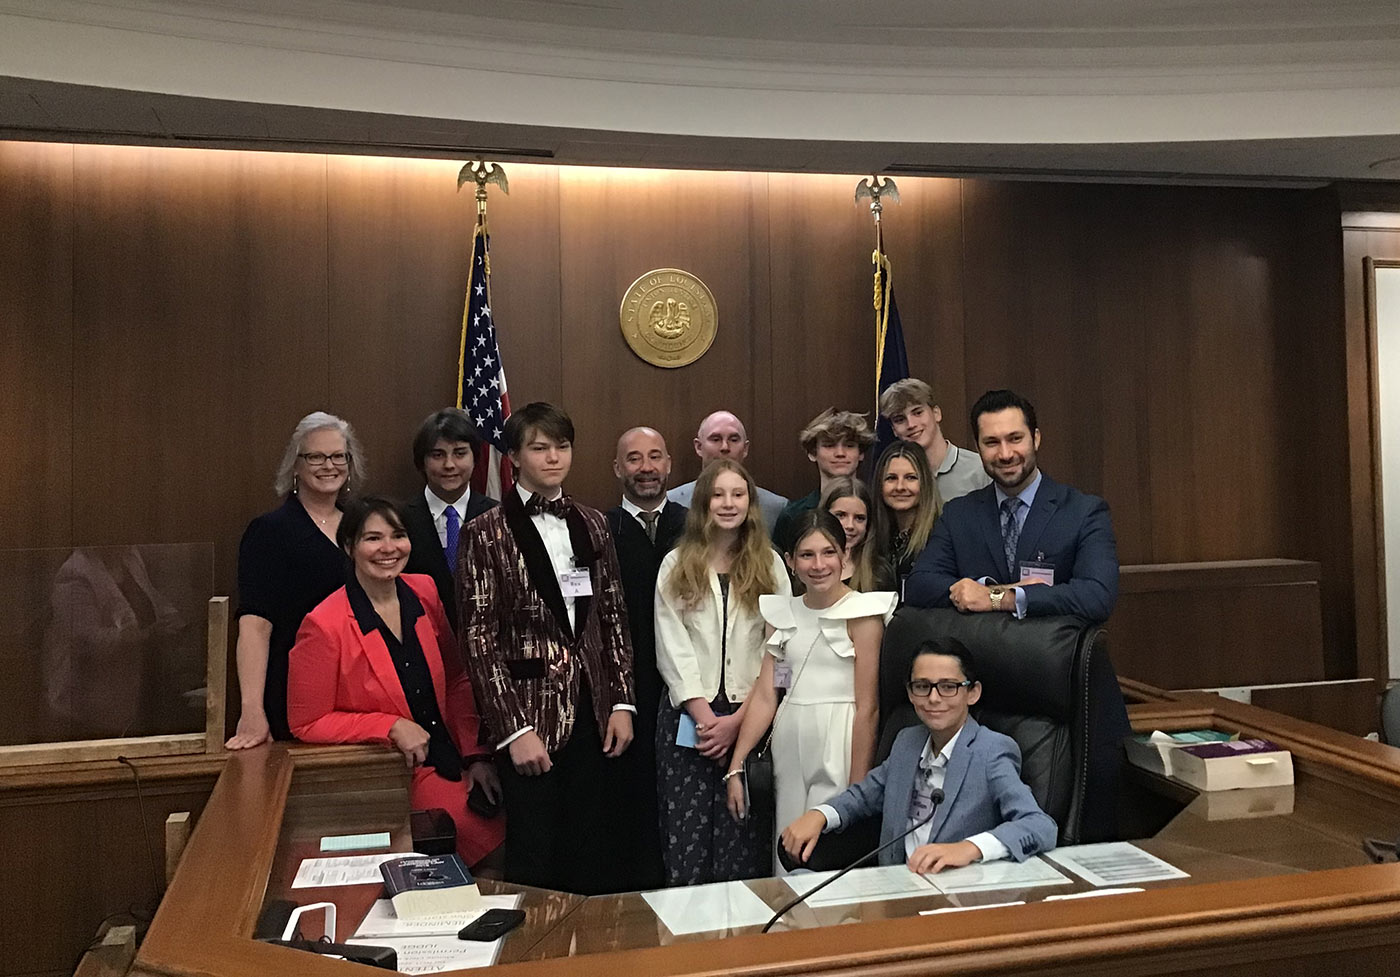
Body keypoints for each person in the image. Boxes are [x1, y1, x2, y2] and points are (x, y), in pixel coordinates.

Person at [456, 402, 636, 895]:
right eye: (539, 448)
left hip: (594, 711)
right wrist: (513, 730)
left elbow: (613, 617)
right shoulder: (484, 532)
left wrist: (621, 701)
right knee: (535, 853)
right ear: (513, 457)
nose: (553, 457)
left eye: (562, 446)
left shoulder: (594, 522)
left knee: (592, 847)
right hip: (528, 716)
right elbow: (479, 640)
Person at [286, 497, 505, 869]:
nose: (388, 548)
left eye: (398, 535)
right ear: (349, 546)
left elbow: (456, 679)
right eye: (373, 538)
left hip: (454, 757)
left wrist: (476, 755)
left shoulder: (425, 591)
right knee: (491, 842)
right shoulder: (324, 624)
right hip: (394, 775)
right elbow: (306, 722)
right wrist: (389, 725)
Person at [780, 638, 1057, 873]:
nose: (934, 699)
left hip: (954, 896)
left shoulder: (991, 751)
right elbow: (865, 795)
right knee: (798, 886)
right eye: (922, 686)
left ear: (973, 693)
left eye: (949, 686)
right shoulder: (907, 742)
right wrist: (819, 815)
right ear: (911, 694)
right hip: (893, 884)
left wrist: (968, 849)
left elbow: (1040, 826)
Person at [726, 509, 894, 873]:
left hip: (839, 738)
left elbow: (868, 708)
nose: (819, 565)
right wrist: (736, 764)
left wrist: (857, 791)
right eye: (806, 555)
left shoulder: (863, 613)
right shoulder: (781, 613)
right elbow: (769, 694)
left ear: (844, 556)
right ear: (790, 561)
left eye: (828, 553)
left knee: (825, 855)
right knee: (786, 852)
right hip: (789, 743)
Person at [654, 459, 791, 884]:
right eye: (718, 494)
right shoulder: (676, 564)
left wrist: (738, 722)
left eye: (738, 494)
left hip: (752, 716)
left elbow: (779, 650)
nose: (728, 504)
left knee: (743, 840)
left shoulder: (770, 565)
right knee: (687, 843)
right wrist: (706, 717)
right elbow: (671, 647)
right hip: (688, 718)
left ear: (750, 503)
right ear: (702, 503)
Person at [905, 389, 1120, 622]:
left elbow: (1097, 596)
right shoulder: (958, 514)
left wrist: (1000, 598)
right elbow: (919, 585)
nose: (1005, 454)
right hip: (977, 654)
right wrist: (995, 590)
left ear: (1035, 439)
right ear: (978, 448)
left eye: (1015, 439)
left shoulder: (1083, 512)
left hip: (1050, 654)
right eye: (992, 442)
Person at [228, 412, 364, 748]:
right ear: (296, 466)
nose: (328, 465)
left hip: (360, 688)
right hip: (297, 692)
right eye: (315, 456)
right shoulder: (269, 532)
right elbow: (256, 626)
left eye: (338, 456)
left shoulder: (362, 526)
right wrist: (252, 709)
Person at [604, 426, 688, 891]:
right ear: (618, 469)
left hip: (690, 692)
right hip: (629, 691)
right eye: (634, 459)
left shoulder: (696, 526)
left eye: (655, 457)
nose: (646, 468)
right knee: (633, 800)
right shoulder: (601, 529)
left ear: (670, 463)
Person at [402, 408, 496, 632]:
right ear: (422, 462)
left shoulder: (497, 517)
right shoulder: (399, 520)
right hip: (421, 641)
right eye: (438, 455)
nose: (449, 465)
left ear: (475, 458)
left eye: (460, 453)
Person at [771, 408, 874, 554]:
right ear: (813, 453)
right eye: (829, 445)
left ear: (861, 453)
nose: (840, 453)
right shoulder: (793, 516)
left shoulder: (877, 511)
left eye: (849, 445)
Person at [667, 410, 787, 529]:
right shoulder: (672, 502)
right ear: (699, 447)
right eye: (715, 439)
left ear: (745, 449)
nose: (725, 447)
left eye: (733, 440)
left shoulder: (775, 508)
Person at [879, 378, 990, 502]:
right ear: (894, 430)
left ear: (936, 413)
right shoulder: (894, 480)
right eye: (900, 419)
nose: (910, 424)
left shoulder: (980, 469)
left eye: (917, 413)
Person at [871, 440, 942, 598]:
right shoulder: (874, 536)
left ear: (925, 483)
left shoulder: (942, 535)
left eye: (911, 478)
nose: (900, 487)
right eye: (891, 478)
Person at [819, 476, 895, 593]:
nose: (850, 525)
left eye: (859, 518)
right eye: (841, 515)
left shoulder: (879, 573)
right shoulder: (806, 566)